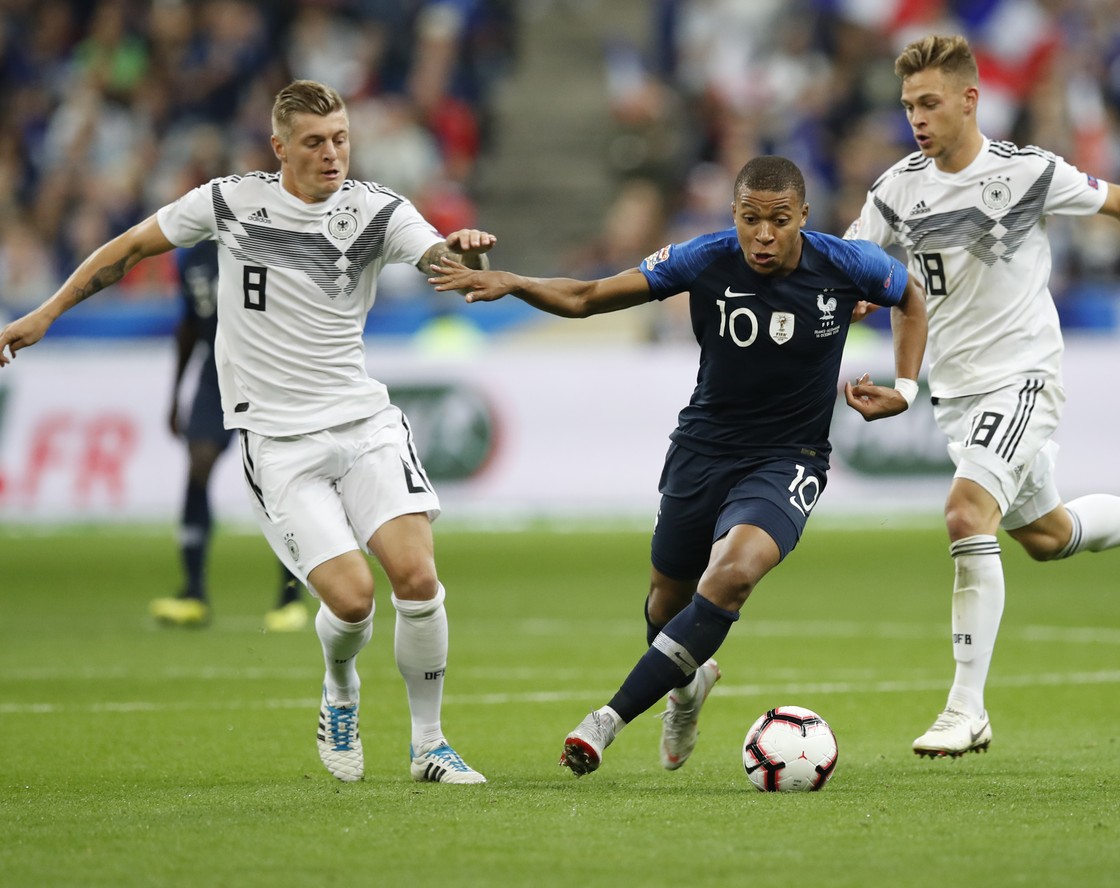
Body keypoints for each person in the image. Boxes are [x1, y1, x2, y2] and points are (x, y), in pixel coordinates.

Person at [0, 79, 492, 785]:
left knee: (417, 578)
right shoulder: (230, 201)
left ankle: (429, 746)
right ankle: (340, 687)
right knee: (351, 602)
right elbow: (131, 246)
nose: (333, 155)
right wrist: (46, 314)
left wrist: (465, 254)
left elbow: (441, 261)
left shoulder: (378, 210)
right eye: (316, 142)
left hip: (363, 422)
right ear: (281, 146)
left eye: (342, 139)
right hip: (279, 442)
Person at [429, 155, 926, 777]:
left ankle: (605, 720)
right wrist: (516, 282)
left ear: (803, 215)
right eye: (750, 219)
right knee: (667, 603)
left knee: (734, 573)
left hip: (788, 457)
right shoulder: (703, 258)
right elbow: (587, 297)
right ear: (734, 216)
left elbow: (909, 294)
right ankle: (687, 688)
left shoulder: (845, 264)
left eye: (778, 220)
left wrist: (906, 388)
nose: (763, 235)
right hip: (703, 450)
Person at [845, 34, 1120, 759]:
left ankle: (966, 709)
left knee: (966, 512)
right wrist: (859, 305)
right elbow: (858, 266)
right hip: (958, 393)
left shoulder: (1023, 173)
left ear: (969, 100)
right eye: (907, 107)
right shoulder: (896, 189)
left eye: (929, 104)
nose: (917, 120)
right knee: (1047, 537)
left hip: (1023, 376)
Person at [149, 239, 308, 632]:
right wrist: (175, 395)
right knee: (198, 465)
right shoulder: (195, 258)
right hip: (215, 371)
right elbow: (189, 325)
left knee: (276, 479)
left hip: (269, 371)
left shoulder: (261, 243)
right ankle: (193, 592)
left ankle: (291, 595)